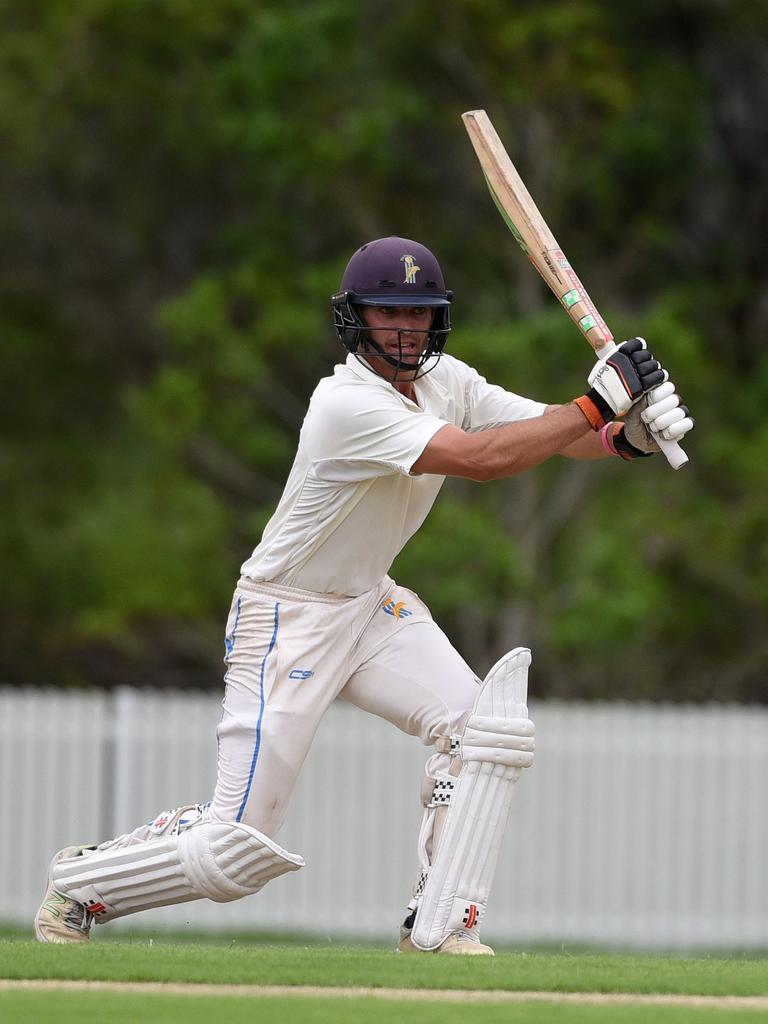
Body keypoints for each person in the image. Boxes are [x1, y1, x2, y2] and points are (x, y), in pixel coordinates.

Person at [35, 237, 693, 954]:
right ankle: (85, 882)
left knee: (482, 728)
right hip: (285, 615)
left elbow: (550, 435)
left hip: (369, 604)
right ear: (356, 319)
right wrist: (598, 402)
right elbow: (480, 460)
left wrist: (628, 436)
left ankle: (439, 922)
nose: (406, 328)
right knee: (236, 850)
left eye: (420, 312)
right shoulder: (343, 404)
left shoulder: (452, 383)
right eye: (389, 312)